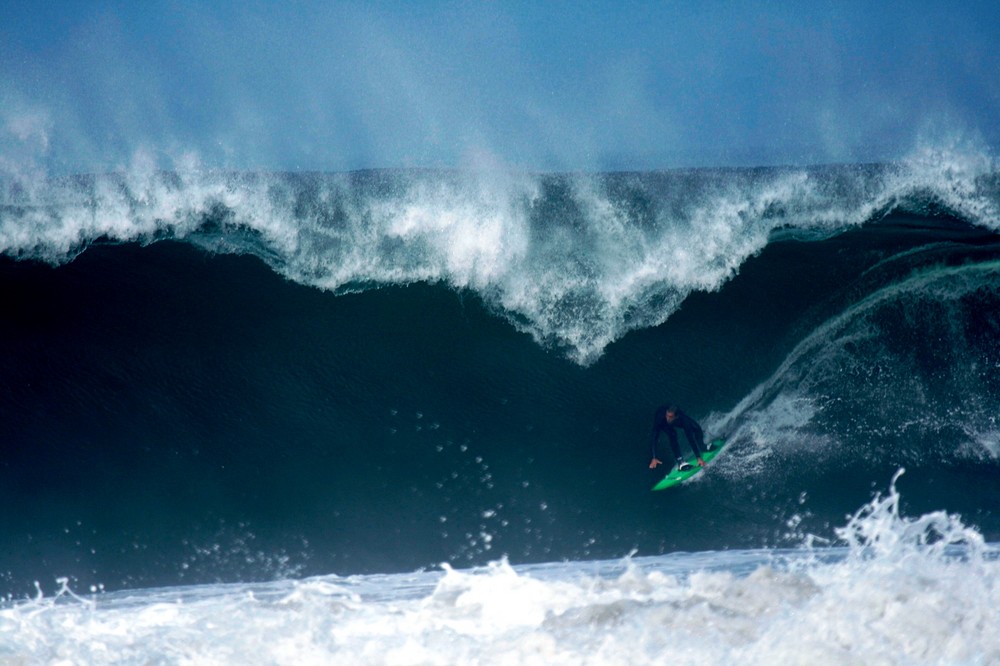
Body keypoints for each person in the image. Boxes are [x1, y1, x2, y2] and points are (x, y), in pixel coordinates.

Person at [648, 404, 711, 472]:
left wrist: (698, 457)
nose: (668, 419)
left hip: (678, 421)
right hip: (663, 423)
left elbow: (690, 438)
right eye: (667, 416)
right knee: (672, 434)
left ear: (676, 416)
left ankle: (702, 447)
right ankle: (680, 461)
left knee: (697, 428)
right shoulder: (661, 417)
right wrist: (654, 457)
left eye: (670, 417)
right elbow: (654, 436)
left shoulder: (683, 419)